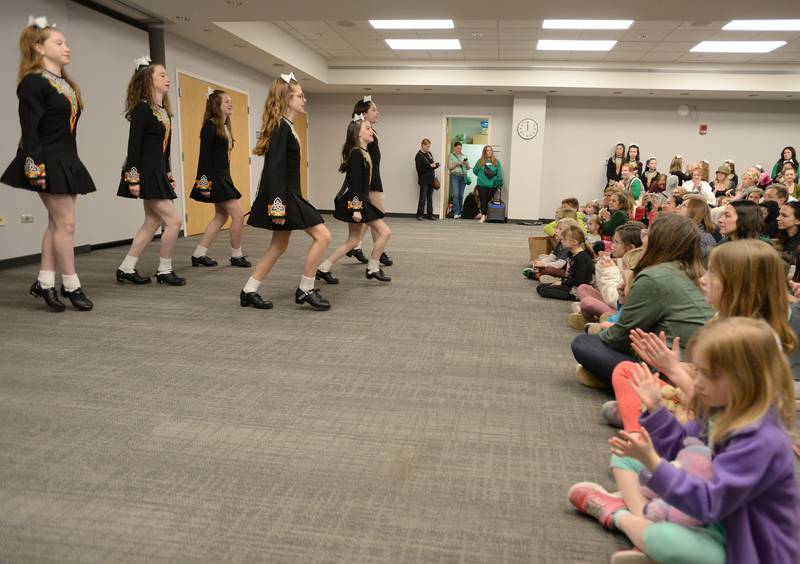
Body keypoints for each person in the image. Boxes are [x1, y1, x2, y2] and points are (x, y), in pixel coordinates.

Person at [570, 317, 799, 564]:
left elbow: (709, 503)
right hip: (706, 516)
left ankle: (620, 516)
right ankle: (643, 526)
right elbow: (682, 450)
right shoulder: (721, 410)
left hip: (741, 543)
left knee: (664, 540)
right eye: (697, 371)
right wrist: (655, 408)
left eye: (709, 375)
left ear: (746, 379)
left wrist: (652, 462)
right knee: (626, 451)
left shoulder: (762, 440)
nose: (697, 382)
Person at [1, 17, 95, 311]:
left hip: (67, 158)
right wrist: (35, 167)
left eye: (65, 42)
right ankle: (71, 284)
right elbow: (29, 130)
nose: (66, 47)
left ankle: (44, 281)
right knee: (67, 224)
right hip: (45, 159)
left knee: (57, 223)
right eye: (59, 42)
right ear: (38, 47)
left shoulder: (66, 84)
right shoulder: (32, 82)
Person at [571, 214, 713, 388]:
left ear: (657, 241)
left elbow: (619, 337)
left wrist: (601, 332)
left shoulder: (655, 276)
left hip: (668, 369)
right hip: (702, 370)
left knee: (583, 343)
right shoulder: (697, 273)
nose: (642, 239)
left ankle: (624, 383)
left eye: (646, 234)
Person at [240, 73, 332, 311]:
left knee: (278, 245)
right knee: (323, 237)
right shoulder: (281, 128)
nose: (304, 100)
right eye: (300, 96)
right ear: (287, 99)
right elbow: (273, 171)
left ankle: (249, 290)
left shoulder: (287, 126)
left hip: (291, 194)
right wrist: (278, 206)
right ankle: (305, 289)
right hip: (284, 197)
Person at [116, 58, 185, 286]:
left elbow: (164, 150)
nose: (167, 79)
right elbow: (133, 147)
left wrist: (168, 173)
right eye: (162, 75)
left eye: (167, 75)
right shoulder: (142, 109)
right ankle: (165, 270)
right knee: (174, 221)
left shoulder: (163, 111)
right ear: (149, 80)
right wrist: (133, 178)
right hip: (144, 173)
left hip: (157, 172)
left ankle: (126, 267)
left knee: (152, 222)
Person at [316, 114, 392, 284]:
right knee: (385, 232)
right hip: (358, 202)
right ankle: (373, 268)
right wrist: (356, 208)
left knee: (353, 241)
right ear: (358, 134)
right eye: (367, 128)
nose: (371, 130)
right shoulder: (357, 154)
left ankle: (323, 268)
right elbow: (355, 183)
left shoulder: (363, 152)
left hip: (361, 201)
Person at [188, 89, 250, 269]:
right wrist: (204, 183)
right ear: (217, 106)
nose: (230, 104)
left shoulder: (224, 126)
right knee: (238, 216)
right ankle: (236, 256)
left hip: (224, 176)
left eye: (231, 101)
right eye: (226, 102)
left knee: (221, 216)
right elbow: (204, 157)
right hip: (215, 177)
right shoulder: (210, 126)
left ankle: (199, 254)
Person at [344, 96, 392, 267]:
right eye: (374, 110)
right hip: (370, 183)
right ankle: (376, 254)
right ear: (364, 114)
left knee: (370, 218)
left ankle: (357, 246)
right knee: (376, 216)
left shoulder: (370, 132)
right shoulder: (361, 133)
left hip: (374, 180)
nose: (377, 113)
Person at [536, 224, 594, 301]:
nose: (561, 241)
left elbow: (579, 280)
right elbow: (570, 275)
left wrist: (562, 283)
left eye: (564, 239)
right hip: (570, 283)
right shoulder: (571, 253)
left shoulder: (581, 258)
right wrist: (561, 282)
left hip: (577, 288)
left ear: (574, 242)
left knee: (544, 290)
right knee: (540, 287)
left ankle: (574, 296)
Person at [472, 145, 503, 224]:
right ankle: (483, 216)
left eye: (490, 150)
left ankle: (485, 214)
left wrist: (499, 184)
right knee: (483, 200)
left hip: (492, 185)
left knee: (488, 200)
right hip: (481, 184)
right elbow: (475, 170)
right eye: (487, 150)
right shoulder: (480, 161)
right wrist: (481, 176)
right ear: (485, 152)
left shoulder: (496, 162)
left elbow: (499, 174)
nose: (489, 152)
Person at [415, 138, 438, 220]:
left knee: (430, 198)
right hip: (424, 180)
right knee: (422, 198)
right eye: (427, 146)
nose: (428, 148)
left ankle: (430, 214)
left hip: (431, 179)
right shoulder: (418, 156)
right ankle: (419, 215)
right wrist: (430, 166)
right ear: (423, 145)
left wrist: (436, 165)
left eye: (429, 146)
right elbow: (419, 169)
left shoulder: (429, 154)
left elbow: (431, 165)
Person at [448, 141, 469, 219]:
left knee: (460, 195)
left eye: (460, 148)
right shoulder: (451, 156)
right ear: (454, 147)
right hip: (455, 176)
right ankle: (456, 212)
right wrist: (458, 163)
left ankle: (459, 211)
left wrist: (466, 164)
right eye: (458, 148)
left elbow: (468, 167)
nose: (459, 150)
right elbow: (449, 167)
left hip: (463, 176)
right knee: (456, 195)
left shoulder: (464, 156)